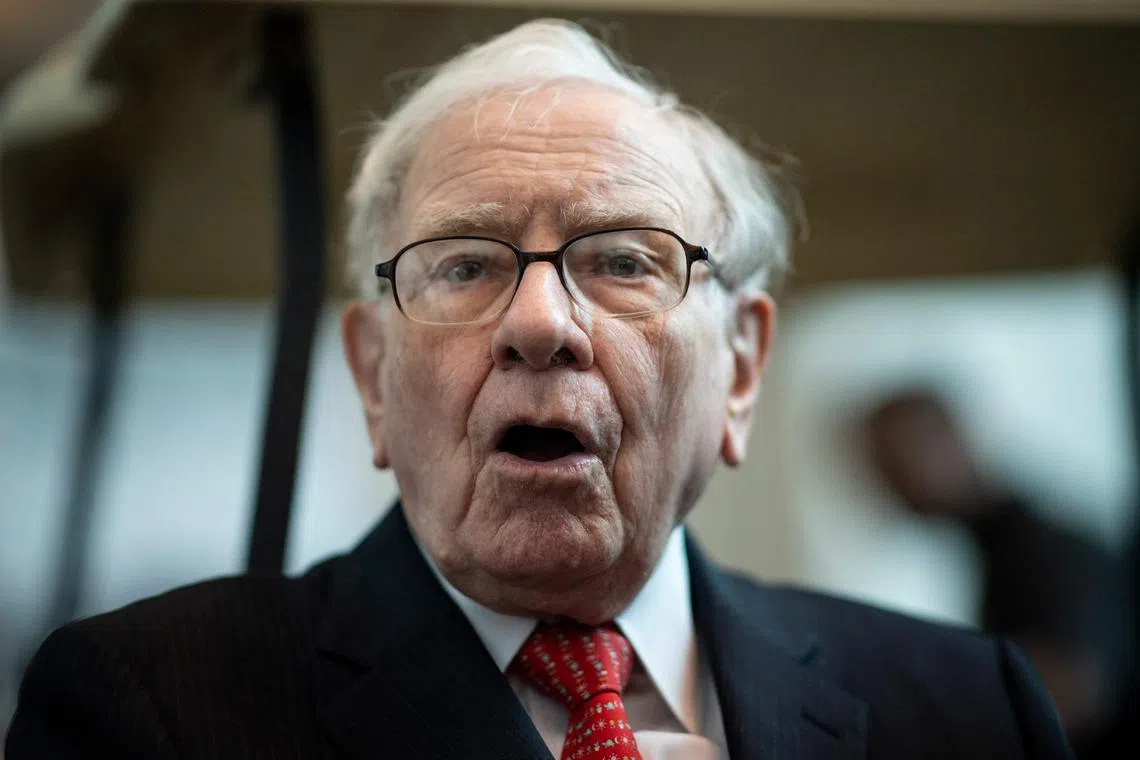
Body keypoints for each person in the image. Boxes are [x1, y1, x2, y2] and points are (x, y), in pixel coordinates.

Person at [6, 19, 1073, 759]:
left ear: (741, 369)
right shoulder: (151, 710)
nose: (539, 323)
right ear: (374, 377)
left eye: (622, 260)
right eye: (465, 264)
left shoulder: (969, 707)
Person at [861, 387, 1130, 758]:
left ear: (952, 439)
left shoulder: (1039, 549)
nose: (887, 481)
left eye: (895, 458)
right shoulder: (1000, 548)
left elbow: (1071, 691)